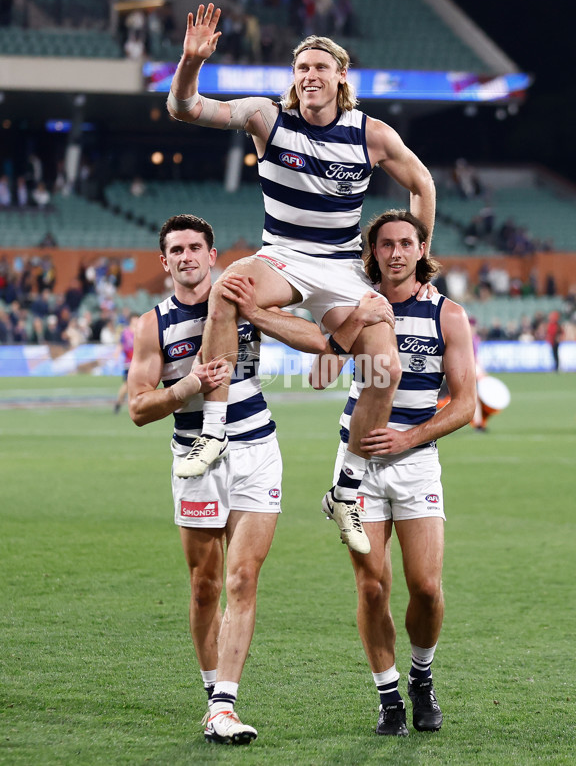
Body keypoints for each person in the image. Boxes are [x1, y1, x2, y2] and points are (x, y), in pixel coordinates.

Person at [166, 4, 436, 555]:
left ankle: (347, 488)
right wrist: (190, 63)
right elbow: (184, 107)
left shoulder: (372, 134)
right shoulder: (267, 118)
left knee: (385, 358)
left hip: (342, 265)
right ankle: (214, 432)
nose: (309, 76)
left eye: (319, 67)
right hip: (283, 256)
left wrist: (417, 261)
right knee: (228, 289)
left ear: (341, 76)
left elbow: (423, 186)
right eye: (300, 68)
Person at [126, 213, 391, 745]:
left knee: (242, 579)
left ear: (212, 253)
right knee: (204, 587)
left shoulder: (247, 294)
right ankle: (211, 698)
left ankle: (225, 705)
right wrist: (186, 389)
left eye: (195, 248)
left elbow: (321, 345)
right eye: (176, 251)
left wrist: (358, 316)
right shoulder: (151, 324)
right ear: (164, 262)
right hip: (193, 457)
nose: (186, 258)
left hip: (256, 451)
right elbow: (137, 407)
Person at [310, 209, 477, 736]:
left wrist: (409, 436)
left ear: (422, 248)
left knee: (426, 587)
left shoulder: (447, 315)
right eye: (387, 245)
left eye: (407, 243)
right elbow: (318, 376)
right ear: (373, 252)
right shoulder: (350, 307)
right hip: (357, 465)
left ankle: (421, 677)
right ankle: (389, 699)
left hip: (415, 462)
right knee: (372, 589)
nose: (397, 253)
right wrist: (358, 317)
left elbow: (465, 404)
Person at [114, 314, 138, 413]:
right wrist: (116, 355)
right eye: (135, 318)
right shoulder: (126, 332)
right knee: (126, 384)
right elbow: (121, 345)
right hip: (129, 363)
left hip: (139, 362)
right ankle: (118, 403)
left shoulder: (141, 331)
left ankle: (136, 406)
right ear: (131, 320)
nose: (137, 320)